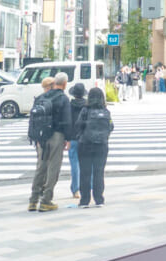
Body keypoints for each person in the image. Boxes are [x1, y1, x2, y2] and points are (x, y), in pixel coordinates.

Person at [28, 71, 72, 212]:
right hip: (57, 135)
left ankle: (33, 200)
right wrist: (68, 139)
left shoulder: (41, 97)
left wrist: (35, 137)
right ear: (64, 84)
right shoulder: (63, 98)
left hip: (41, 136)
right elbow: (67, 120)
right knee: (53, 167)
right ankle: (46, 200)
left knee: (41, 167)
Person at [73, 87, 113, 207]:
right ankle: (99, 199)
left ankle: (85, 200)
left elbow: (78, 125)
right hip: (101, 145)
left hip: (85, 144)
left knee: (85, 173)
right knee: (99, 172)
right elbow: (111, 127)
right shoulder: (106, 111)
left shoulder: (85, 110)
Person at [67, 83, 87, 201]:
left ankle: (75, 189)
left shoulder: (69, 106)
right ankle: (86, 187)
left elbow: (67, 123)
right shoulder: (87, 106)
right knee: (85, 163)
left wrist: (67, 138)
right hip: (85, 137)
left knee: (74, 164)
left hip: (73, 137)